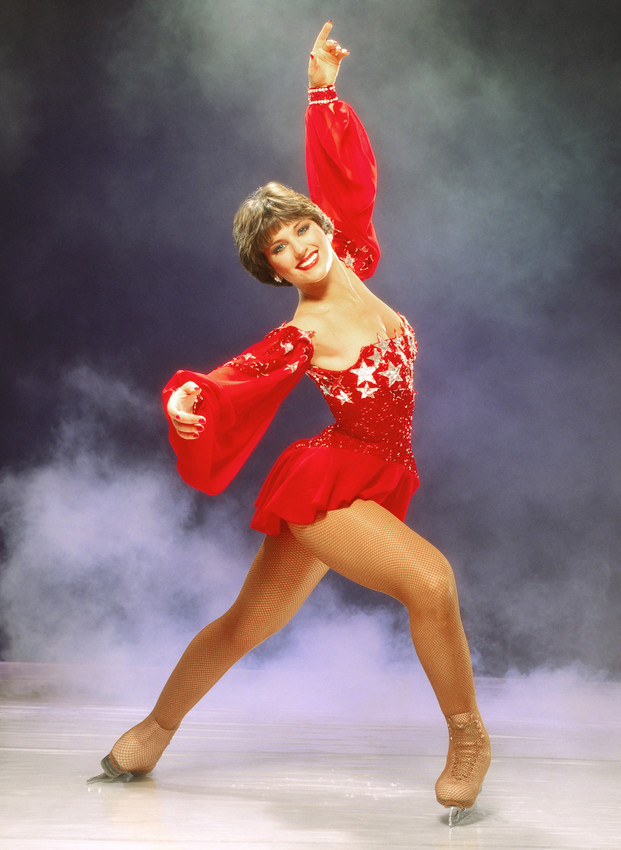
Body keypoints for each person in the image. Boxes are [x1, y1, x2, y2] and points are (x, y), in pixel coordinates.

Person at [91, 22, 491, 823]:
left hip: (371, 474)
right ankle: (469, 738)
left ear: (323, 228)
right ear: (272, 271)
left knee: (248, 622)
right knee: (431, 582)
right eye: (279, 247)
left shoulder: (357, 260)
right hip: (330, 486)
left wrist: (321, 93)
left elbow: (348, 182)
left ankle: (148, 735)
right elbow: (232, 379)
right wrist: (187, 401)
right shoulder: (301, 332)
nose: (298, 246)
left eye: (302, 228)